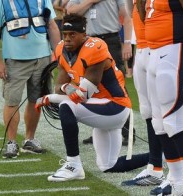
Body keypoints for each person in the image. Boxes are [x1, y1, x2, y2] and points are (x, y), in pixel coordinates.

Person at [36, 14, 149, 182]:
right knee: (108, 166)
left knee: (67, 107)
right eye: (65, 34)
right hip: (99, 109)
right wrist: (61, 91)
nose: (67, 39)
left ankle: (73, 165)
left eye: (72, 34)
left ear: (84, 34)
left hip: (115, 107)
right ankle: (161, 154)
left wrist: (51, 97)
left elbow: (82, 96)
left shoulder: (95, 48)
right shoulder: (61, 49)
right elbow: (59, 88)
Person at [137, 0, 183, 194]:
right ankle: (177, 182)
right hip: (155, 52)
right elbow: (144, 16)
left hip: (176, 50)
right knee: (159, 124)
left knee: (175, 122)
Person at [0, 0, 61, 158]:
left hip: (43, 57)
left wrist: (60, 55)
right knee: (12, 101)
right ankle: (11, 142)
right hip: (14, 59)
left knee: (36, 100)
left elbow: (52, 26)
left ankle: (30, 139)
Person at [66, 0, 135, 146]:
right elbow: (70, 12)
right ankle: (99, 129)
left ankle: (128, 132)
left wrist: (127, 42)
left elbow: (127, 17)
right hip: (88, 42)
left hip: (110, 39)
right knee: (91, 86)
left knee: (118, 86)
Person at [121, 0, 165, 189]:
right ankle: (155, 166)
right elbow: (132, 10)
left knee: (167, 115)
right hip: (143, 45)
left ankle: (178, 174)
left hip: (163, 46)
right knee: (147, 110)